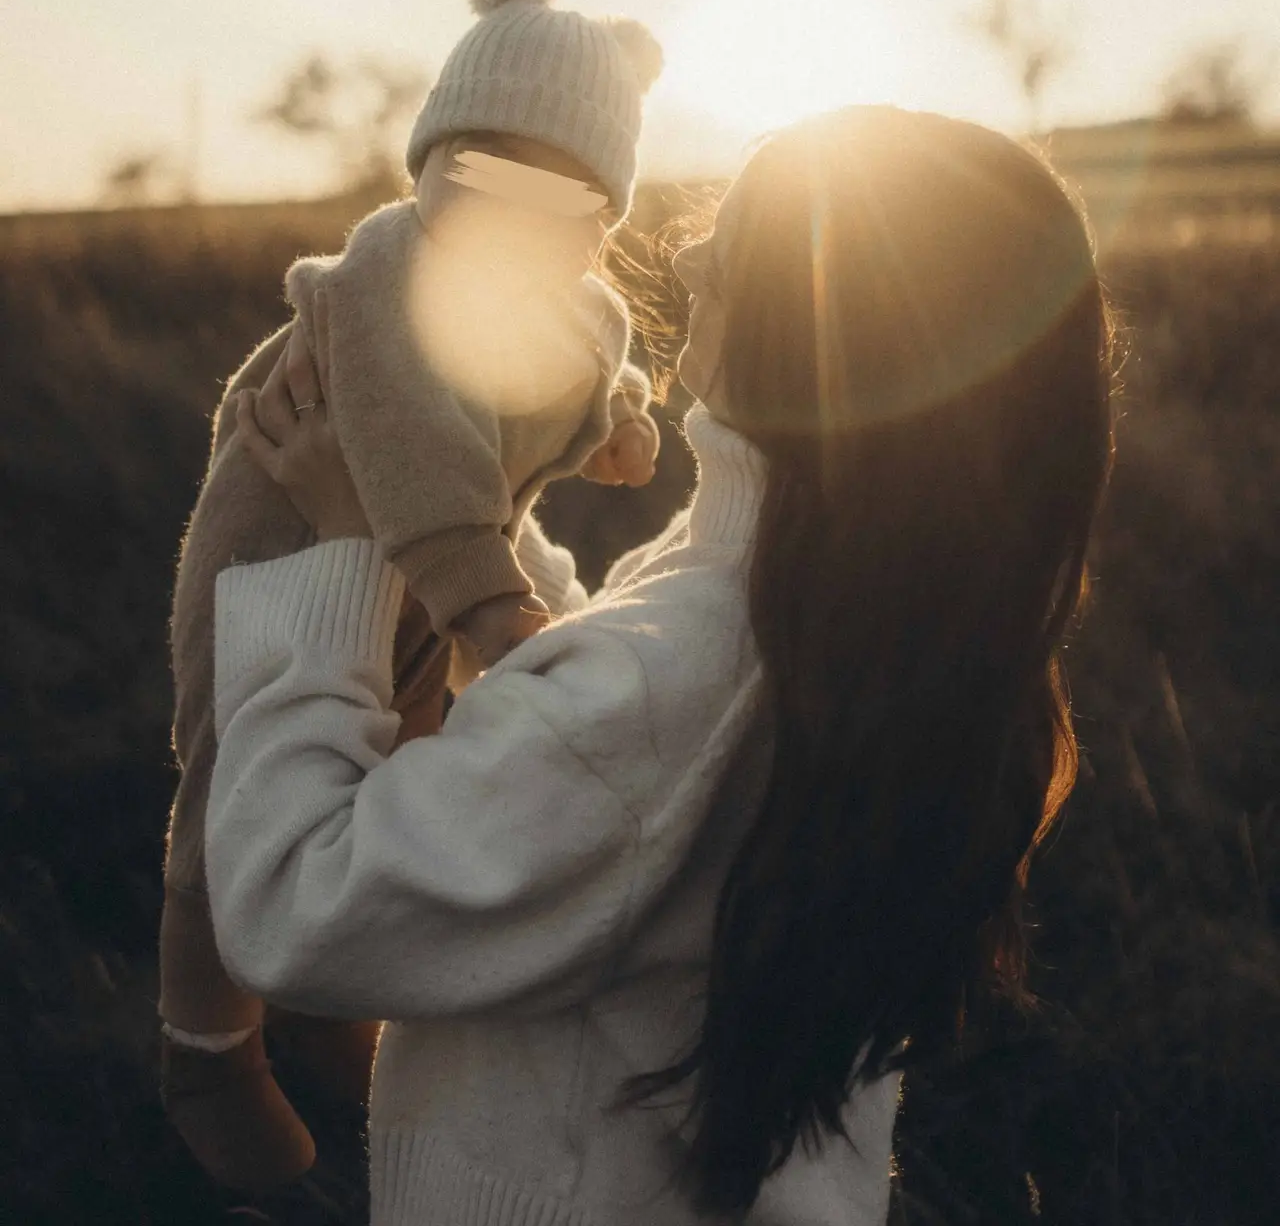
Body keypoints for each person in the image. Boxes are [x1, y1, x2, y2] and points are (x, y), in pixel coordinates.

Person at [206, 104, 1115, 1222]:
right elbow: (607, 740)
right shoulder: (860, 614)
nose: (681, 252)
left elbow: (295, 905)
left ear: (820, 328)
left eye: (728, 246)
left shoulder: (671, 687)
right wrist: (449, 517)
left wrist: (342, 553)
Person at [160, 0, 665, 1192]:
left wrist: (616, 427)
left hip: (429, 591)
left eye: (557, 204)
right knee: (227, 801)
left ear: (596, 223)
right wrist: (498, 619)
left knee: (398, 762)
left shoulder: (579, 303)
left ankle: (332, 994)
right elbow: (421, 462)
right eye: (477, 178)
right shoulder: (388, 276)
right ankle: (206, 1048)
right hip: (279, 553)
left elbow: (580, 372)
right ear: (430, 163)